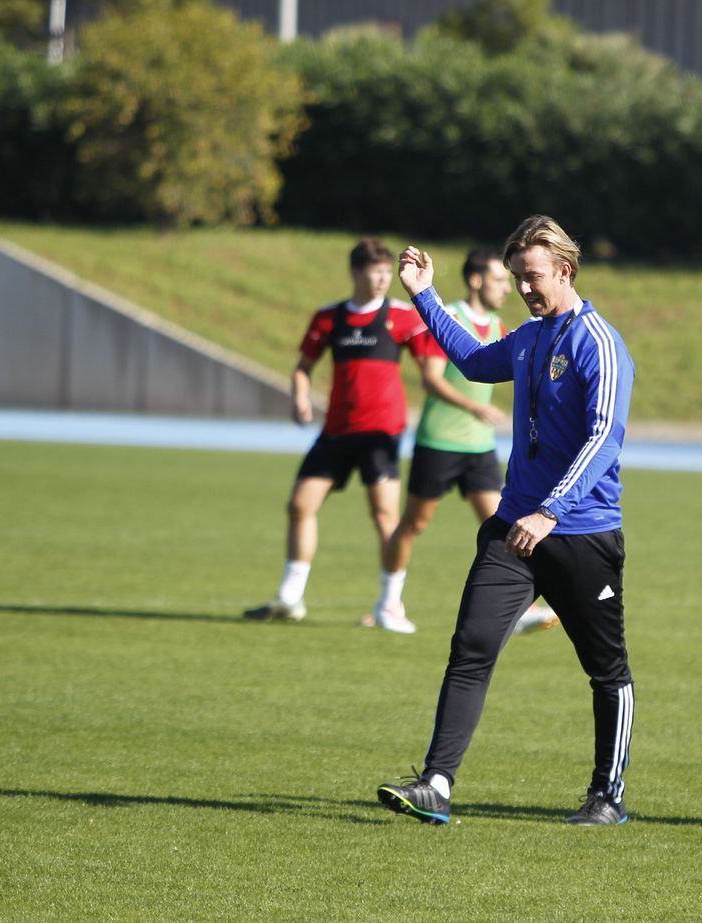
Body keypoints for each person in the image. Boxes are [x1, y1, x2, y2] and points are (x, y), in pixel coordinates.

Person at [377, 216, 637, 826]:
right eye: (516, 277)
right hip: (513, 528)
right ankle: (436, 784)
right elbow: (469, 359)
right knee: (470, 647)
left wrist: (551, 511)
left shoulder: (598, 342)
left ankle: (607, 796)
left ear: (565, 271)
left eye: (532, 277)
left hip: (581, 534)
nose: (523, 288)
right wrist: (422, 294)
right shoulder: (528, 337)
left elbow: (604, 440)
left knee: (607, 671)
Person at [244, 237, 442, 632]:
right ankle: (290, 597)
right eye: (377, 272)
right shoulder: (328, 317)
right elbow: (303, 367)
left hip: (381, 433)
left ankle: (391, 604)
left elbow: (434, 364)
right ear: (356, 273)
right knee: (300, 505)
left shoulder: (403, 316)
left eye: (388, 271)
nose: (385, 278)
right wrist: (301, 398)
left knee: (386, 517)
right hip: (336, 432)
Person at [369, 249, 560, 636]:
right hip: (440, 441)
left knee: (509, 525)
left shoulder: (500, 325)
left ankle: (518, 606)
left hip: (479, 447)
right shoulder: (445, 316)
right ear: (476, 280)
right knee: (413, 524)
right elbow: (432, 378)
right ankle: (387, 603)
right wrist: (474, 407)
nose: (509, 288)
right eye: (500, 280)